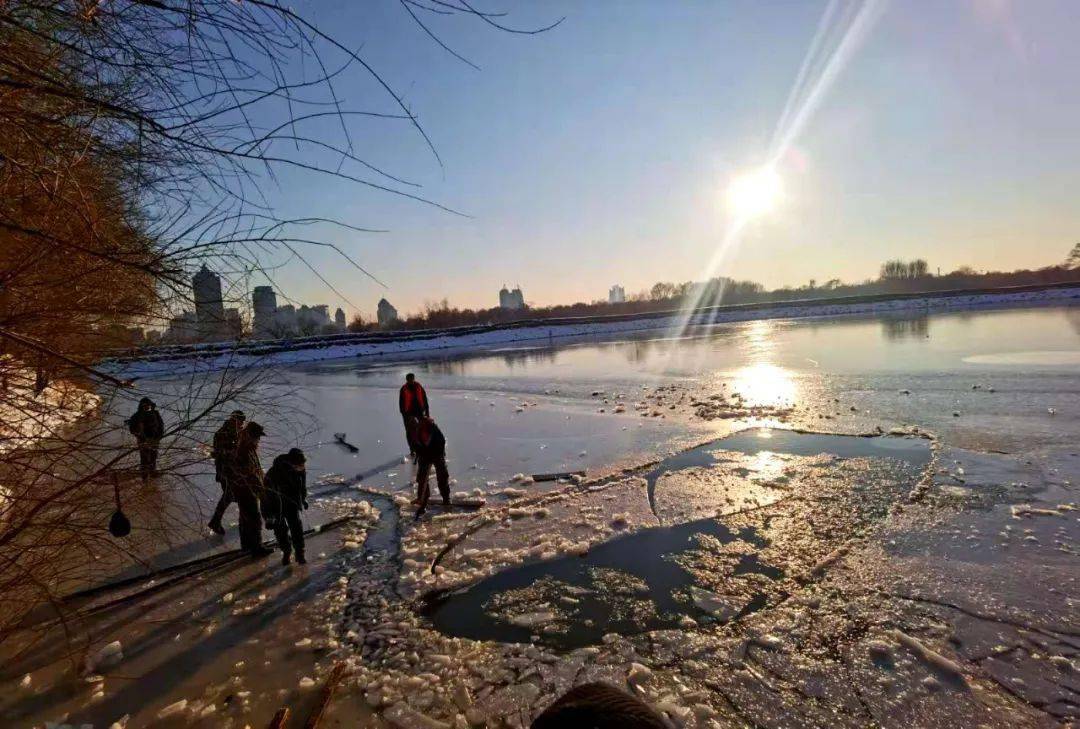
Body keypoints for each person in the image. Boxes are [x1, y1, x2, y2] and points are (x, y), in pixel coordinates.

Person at [228, 421, 272, 558]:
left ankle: (247, 545)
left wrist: (263, 481)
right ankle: (256, 548)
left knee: (245, 517)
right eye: (257, 437)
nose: (259, 439)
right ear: (251, 436)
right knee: (254, 518)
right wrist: (261, 491)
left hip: (244, 488)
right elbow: (251, 475)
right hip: (246, 490)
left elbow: (256, 470)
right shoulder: (245, 450)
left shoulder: (248, 448)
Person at [262, 448, 308, 565]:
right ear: (291, 463)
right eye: (300, 465)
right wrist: (268, 516)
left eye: (303, 464)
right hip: (276, 507)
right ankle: (286, 552)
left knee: (296, 528)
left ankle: (300, 553)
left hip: (292, 504)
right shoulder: (273, 474)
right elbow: (265, 498)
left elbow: (302, 486)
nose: (302, 467)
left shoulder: (300, 470)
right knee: (280, 531)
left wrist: (303, 499)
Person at [207, 410, 245, 535]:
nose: (242, 424)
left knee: (236, 495)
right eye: (240, 421)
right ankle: (215, 522)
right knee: (229, 496)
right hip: (227, 471)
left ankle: (243, 517)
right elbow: (221, 453)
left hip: (235, 471)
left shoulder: (237, 433)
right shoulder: (223, 434)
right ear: (234, 420)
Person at [413, 416, 450, 518]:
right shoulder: (417, 431)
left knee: (442, 476)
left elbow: (441, 443)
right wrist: (421, 452)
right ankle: (423, 501)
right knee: (422, 478)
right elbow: (416, 445)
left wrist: (435, 454)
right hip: (425, 455)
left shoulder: (435, 431)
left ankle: (446, 499)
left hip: (437, 454)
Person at [127, 397, 165, 481]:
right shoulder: (137, 415)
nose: (147, 407)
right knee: (144, 457)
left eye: (148, 405)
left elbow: (161, 425)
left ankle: (152, 472)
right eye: (145, 406)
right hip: (143, 440)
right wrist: (139, 436)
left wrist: (159, 436)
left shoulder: (155, 413)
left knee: (153, 457)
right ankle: (144, 475)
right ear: (141, 406)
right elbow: (132, 429)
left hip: (155, 439)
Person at [398, 372, 429, 457]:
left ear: (414, 379)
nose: (411, 381)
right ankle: (412, 449)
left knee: (422, 430)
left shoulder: (419, 386)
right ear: (406, 380)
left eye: (412, 379)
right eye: (409, 379)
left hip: (419, 411)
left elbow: (425, 399)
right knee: (410, 432)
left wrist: (427, 412)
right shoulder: (403, 389)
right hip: (408, 414)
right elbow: (401, 404)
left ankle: (423, 447)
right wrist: (405, 416)